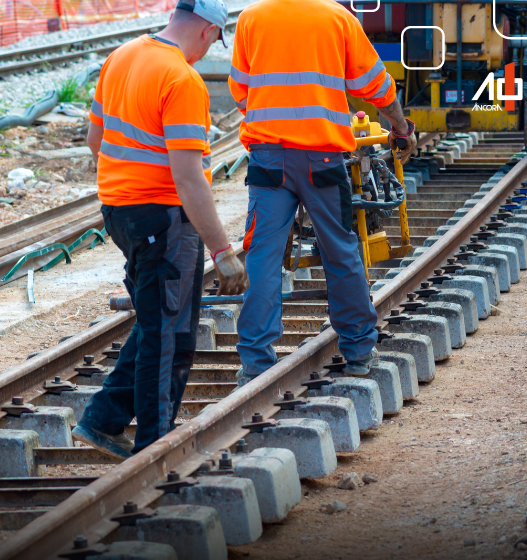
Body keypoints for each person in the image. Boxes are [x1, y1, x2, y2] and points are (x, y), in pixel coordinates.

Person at [72, 0, 249, 459]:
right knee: (171, 334)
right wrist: (222, 250)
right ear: (210, 32)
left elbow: (96, 139)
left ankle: (103, 419)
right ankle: (155, 447)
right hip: (163, 219)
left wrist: (129, 175)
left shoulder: (122, 56)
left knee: (155, 322)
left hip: (120, 213)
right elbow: (189, 177)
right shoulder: (182, 78)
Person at [229, 0, 417, 383]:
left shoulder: (251, 18)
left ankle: (255, 364)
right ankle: (360, 350)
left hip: (269, 160)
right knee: (339, 247)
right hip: (322, 159)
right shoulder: (337, 17)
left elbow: (240, 90)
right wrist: (400, 125)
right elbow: (376, 84)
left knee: (262, 255)